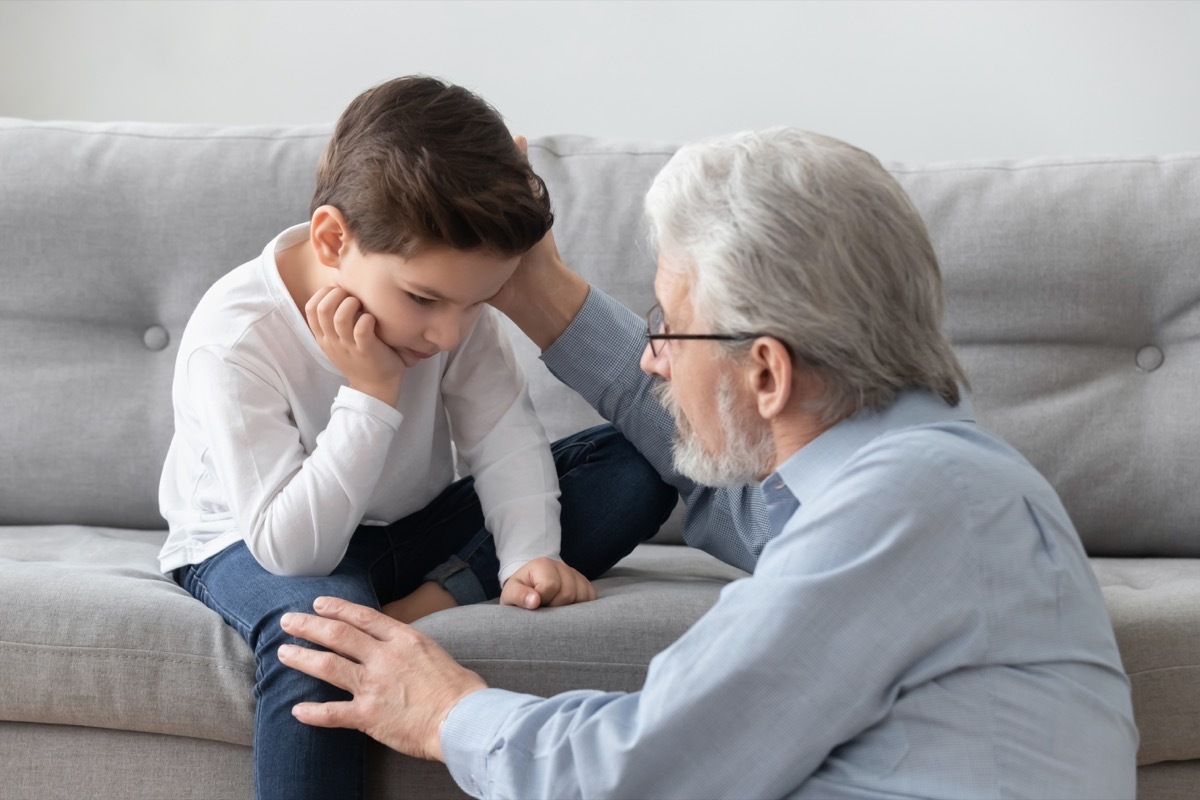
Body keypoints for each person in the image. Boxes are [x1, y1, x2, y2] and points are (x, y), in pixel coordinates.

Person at [277, 128, 1139, 799]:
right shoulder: (918, 480)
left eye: (667, 323)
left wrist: (446, 712)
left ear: (767, 371)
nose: (652, 357)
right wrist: (536, 290)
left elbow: (640, 769)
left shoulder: (907, 508)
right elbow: (733, 500)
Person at [156, 76, 676, 800]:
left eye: (475, 303)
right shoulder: (239, 335)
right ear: (335, 239)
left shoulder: (451, 315)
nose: (447, 333)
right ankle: (407, 603)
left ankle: (422, 603)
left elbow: (500, 434)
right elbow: (293, 548)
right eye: (424, 300)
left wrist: (530, 555)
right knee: (317, 637)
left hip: (409, 528)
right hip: (255, 541)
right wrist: (371, 394)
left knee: (639, 465)